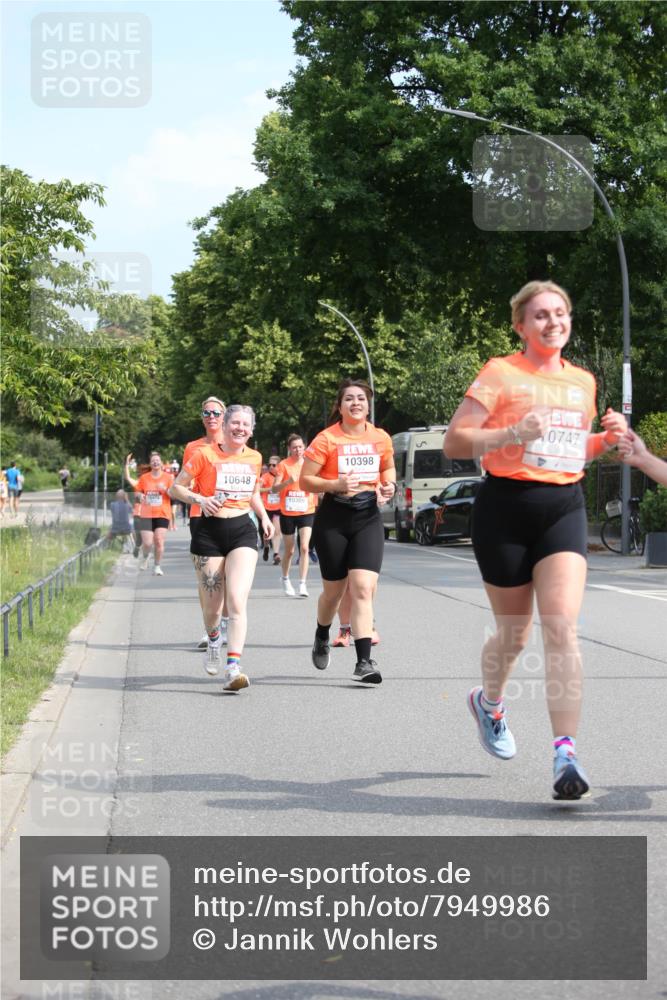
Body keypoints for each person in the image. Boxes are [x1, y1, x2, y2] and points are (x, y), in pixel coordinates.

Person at [443, 280, 628, 800]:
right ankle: (490, 703)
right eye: (541, 315)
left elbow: (574, 451)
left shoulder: (583, 382)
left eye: (561, 313)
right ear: (520, 325)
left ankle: (565, 754)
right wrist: (510, 434)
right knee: (513, 636)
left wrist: (605, 441)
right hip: (504, 508)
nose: (553, 322)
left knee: (561, 627)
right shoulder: (501, 372)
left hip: (563, 508)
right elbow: (455, 440)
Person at [170, 404, 274, 690]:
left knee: (237, 601)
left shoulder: (255, 457)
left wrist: (264, 517)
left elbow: (253, 492)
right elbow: (175, 488)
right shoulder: (204, 454)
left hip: (242, 529)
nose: (240, 428)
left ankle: (234, 667)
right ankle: (214, 638)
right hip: (208, 533)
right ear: (225, 426)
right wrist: (201, 500)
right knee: (213, 609)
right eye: (235, 423)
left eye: (246, 424)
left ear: (251, 430)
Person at [300, 378, 396, 684]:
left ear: (368, 405)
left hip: (368, 515)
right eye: (349, 399)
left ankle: (364, 661)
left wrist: (388, 485)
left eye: (361, 399)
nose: (356, 403)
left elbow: (388, 468)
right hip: (333, 517)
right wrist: (336, 485)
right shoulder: (327, 439)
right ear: (339, 407)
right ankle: (321, 633)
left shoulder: (380, 437)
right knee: (333, 592)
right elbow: (305, 481)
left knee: (363, 588)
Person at [182, 397, 229, 649]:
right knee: (206, 578)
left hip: (230, 515)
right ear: (202, 417)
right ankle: (210, 629)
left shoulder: (233, 442)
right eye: (207, 412)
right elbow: (185, 480)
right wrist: (191, 489)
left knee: (228, 576)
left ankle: (225, 625)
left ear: (224, 416)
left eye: (216, 412)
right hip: (200, 515)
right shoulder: (193, 447)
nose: (211, 416)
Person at [274, 435, 317, 597]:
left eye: (300, 446)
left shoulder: (310, 463)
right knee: (290, 551)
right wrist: (287, 482)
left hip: (307, 510)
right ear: (289, 449)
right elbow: (274, 489)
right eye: (294, 447)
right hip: (288, 512)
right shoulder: (283, 465)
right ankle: (285, 579)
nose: (298, 450)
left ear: (304, 447)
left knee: (305, 547)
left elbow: (317, 482)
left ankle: (302, 584)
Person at [124, 452, 174, 576]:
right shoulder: (144, 478)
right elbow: (137, 493)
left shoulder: (168, 478)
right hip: (146, 514)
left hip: (162, 513)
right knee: (147, 543)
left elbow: (174, 494)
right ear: (150, 464)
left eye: (157, 460)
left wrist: (165, 490)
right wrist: (140, 495)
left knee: (159, 541)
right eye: (153, 461)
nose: (155, 462)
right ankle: (145, 557)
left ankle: (157, 566)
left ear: (161, 463)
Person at [258, 455, 283, 564]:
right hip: (267, 507)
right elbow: (258, 489)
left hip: (278, 507)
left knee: (277, 531)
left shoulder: (282, 476)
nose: (271, 467)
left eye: (274, 465)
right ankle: (267, 546)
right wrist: (270, 489)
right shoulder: (265, 476)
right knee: (267, 532)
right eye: (269, 465)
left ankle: (276, 554)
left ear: (279, 465)